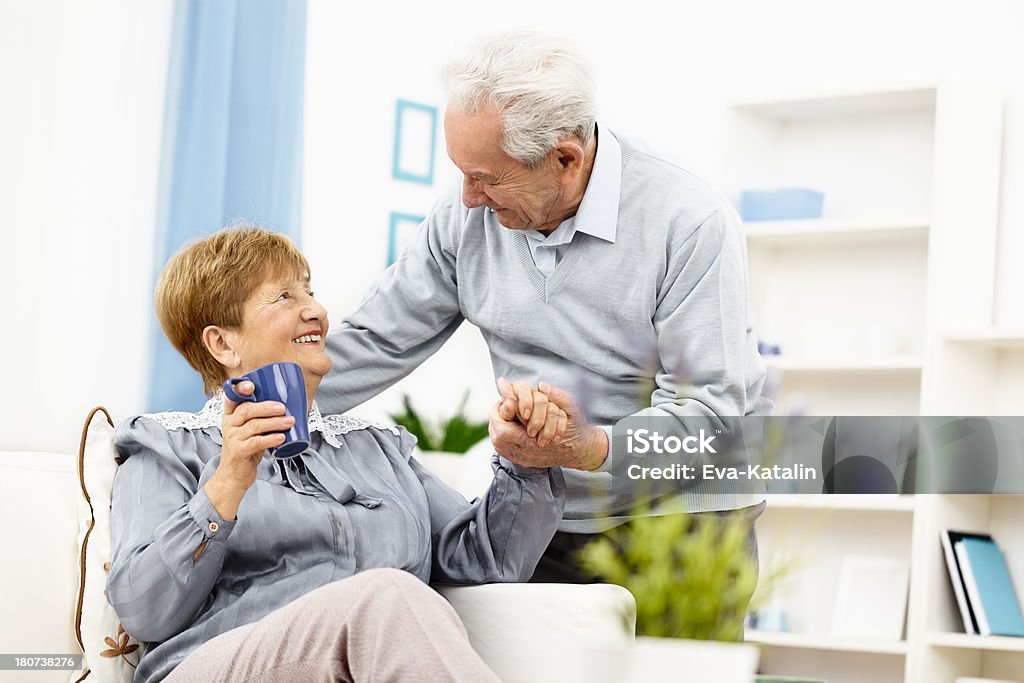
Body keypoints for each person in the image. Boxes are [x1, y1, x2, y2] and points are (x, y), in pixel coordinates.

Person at [318, 32, 770, 583]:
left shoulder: (689, 220)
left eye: (485, 177)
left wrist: (588, 448)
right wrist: (248, 405)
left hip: (682, 522)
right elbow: (375, 338)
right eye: (462, 172)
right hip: (543, 512)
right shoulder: (464, 220)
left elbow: (710, 418)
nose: (467, 197)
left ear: (565, 158)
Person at [107, 226, 567, 683]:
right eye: (285, 297)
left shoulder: (377, 448)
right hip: (214, 664)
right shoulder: (167, 445)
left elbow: (485, 560)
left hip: (359, 657)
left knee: (386, 600)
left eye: (310, 291)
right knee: (386, 597)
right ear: (223, 343)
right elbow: (143, 609)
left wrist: (524, 462)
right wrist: (227, 482)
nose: (318, 311)